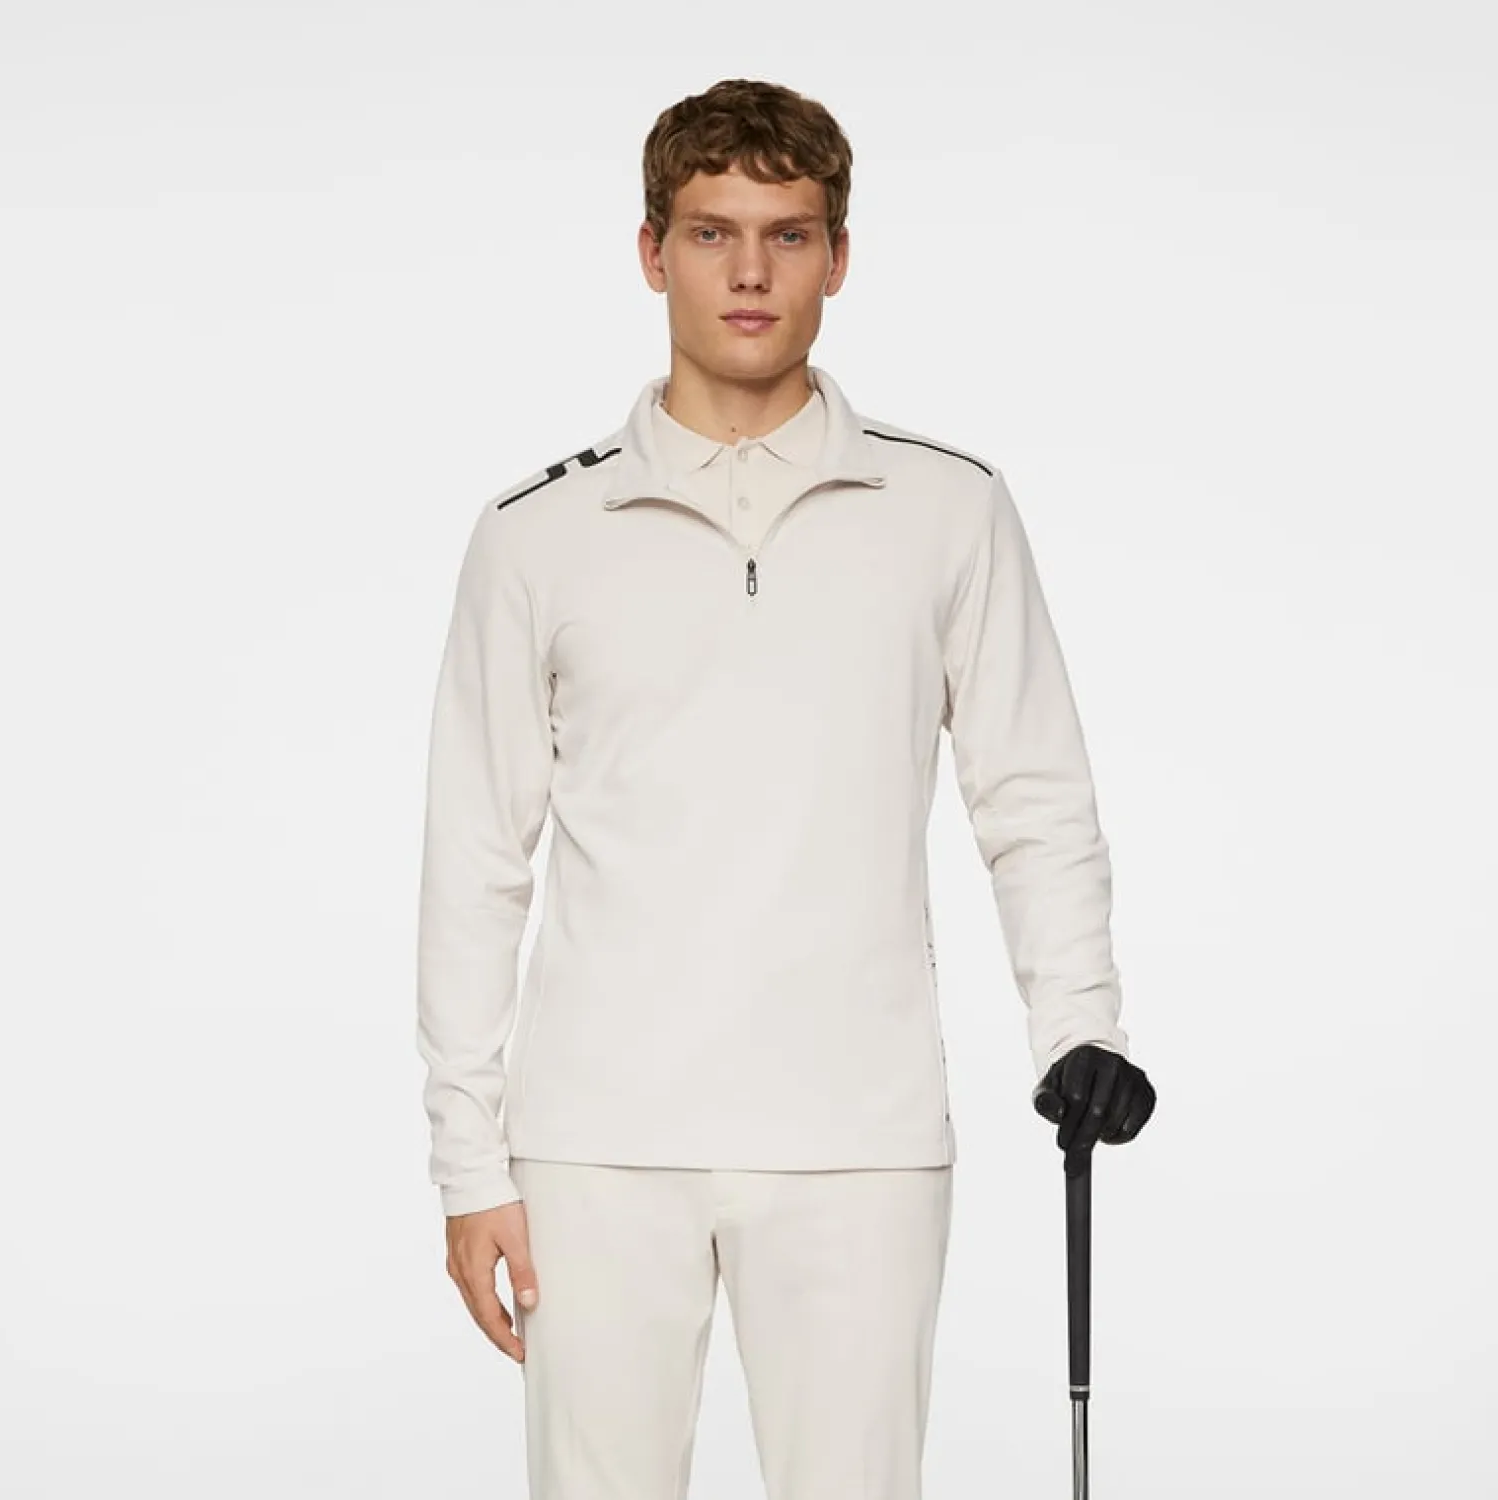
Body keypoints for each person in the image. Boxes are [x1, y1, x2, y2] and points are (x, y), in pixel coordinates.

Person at [415, 76, 1156, 1500]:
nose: (749, 271)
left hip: (859, 1142)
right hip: (597, 1147)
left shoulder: (949, 510)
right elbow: (474, 859)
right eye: (711, 233)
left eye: (788, 234)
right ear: (653, 253)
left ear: (838, 256)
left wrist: (1080, 1025)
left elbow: (1034, 800)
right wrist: (469, 1164)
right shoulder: (537, 534)